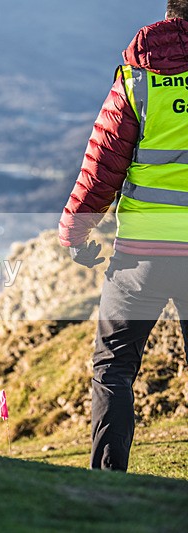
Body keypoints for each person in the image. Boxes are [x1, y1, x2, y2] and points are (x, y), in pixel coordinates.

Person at [59, 1, 188, 471]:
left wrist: (75, 232)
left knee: (113, 368)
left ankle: (108, 481)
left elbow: (102, 166)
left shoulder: (139, 78)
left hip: (142, 256)